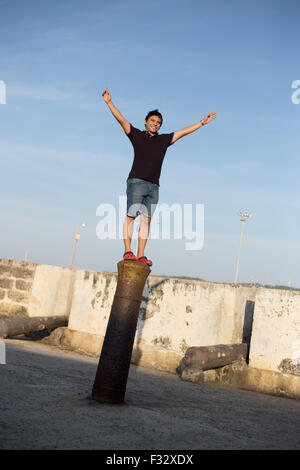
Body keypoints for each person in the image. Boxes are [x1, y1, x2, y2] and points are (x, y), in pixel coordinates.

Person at [102, 86, 216, 266]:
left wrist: (202, 122)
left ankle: (141, 254)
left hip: (154, 186)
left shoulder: (164, 140)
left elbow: (184, 131)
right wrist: (109, 102)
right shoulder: (137, 135)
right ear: (146, 121)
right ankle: (127, 251)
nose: (156, 124)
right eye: (153, 121)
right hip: (136, 182)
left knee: (146, 221)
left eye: (159, 122)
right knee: (131, 217)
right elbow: (122, 120)